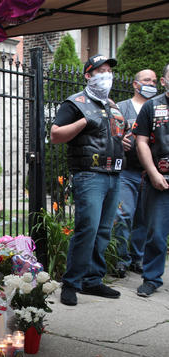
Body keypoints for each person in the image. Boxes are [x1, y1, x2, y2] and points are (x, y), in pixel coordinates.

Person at [50, 54, 127, 306]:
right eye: (100, 71)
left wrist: (125, 141)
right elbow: (56, 135)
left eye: (109, 71)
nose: (106, 75)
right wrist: (84, 121)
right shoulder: (75, 103)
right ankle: (71, 283)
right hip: (89, 175)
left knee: (104, 230)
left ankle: (92, 281)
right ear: (88, 75)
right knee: (88, 229)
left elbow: (116, 136)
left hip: (114, 175)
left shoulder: (112, 105)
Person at [111, 69, 157, 277]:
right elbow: (109, 134)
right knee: (124, 214)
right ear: (135, 84)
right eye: (147, 80)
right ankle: (121, 259)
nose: (151, 84)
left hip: (150, 172)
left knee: (144, 218)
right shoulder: (122, 108)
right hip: (127, 171)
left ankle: (137, 258)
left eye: (155, 81)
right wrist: (119, 140)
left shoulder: (158, 107)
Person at [131, 63, 169, 297]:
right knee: (155, 233)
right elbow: (141, 141)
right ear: (164, 81)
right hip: (159, 180)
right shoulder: (152, 107)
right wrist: (153, 173)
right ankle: (151, 278)